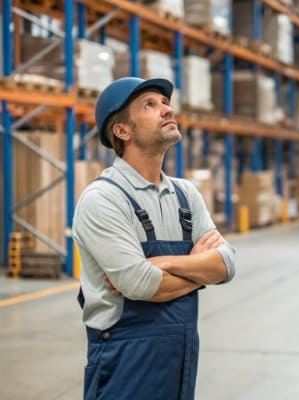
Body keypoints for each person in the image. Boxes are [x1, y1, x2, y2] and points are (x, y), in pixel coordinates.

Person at [73, 77, 236, 400]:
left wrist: (165, 263)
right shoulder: (103, 199)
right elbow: (140, 284)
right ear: (123, 131)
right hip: (125, 365)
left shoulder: (185, 195)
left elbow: (227, 264)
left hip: (181, 360)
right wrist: (199, 271)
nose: (166, 109)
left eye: (165, 102)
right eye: (150, 105)